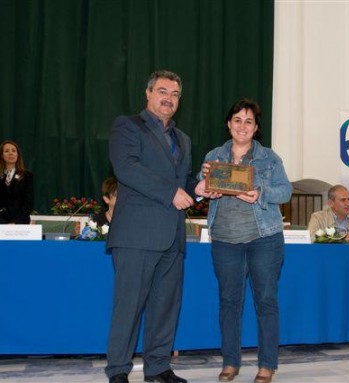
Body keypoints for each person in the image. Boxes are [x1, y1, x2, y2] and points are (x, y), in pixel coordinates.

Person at [105, 70, 199, 383]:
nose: (168, 98)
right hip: (136, 233)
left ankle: (158, 366)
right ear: (148, 94)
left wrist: (201, 188)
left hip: (172, 235)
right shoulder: (128, 126)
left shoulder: (183, 139)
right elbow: (127, 168)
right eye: (162, 91)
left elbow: (183, 182)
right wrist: (171, 193)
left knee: (165, 305)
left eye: (174, 94)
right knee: (128, 306)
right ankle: (118, 370)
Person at [195, 98, 292, 383]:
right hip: (225, 239)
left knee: (266, 301)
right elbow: (203, 189)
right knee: (229, 302)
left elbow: (286, 191)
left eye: (248, 121)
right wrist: (206, 190)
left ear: (256, 127)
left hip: (264, 239)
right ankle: (230, 362)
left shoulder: (269, 158)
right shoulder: (214, 155)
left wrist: (260, 191)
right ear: (229, 124)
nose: (242, 126)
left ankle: (267, 365)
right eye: (237, 120)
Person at [0, 140, 34, 224]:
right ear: (1, 155)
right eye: (7, 151)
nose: (11, 153)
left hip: (20, 221)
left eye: (13, 151)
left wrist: (16, 222)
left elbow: (28, 203)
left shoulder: (27, 175)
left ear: (17, 154)